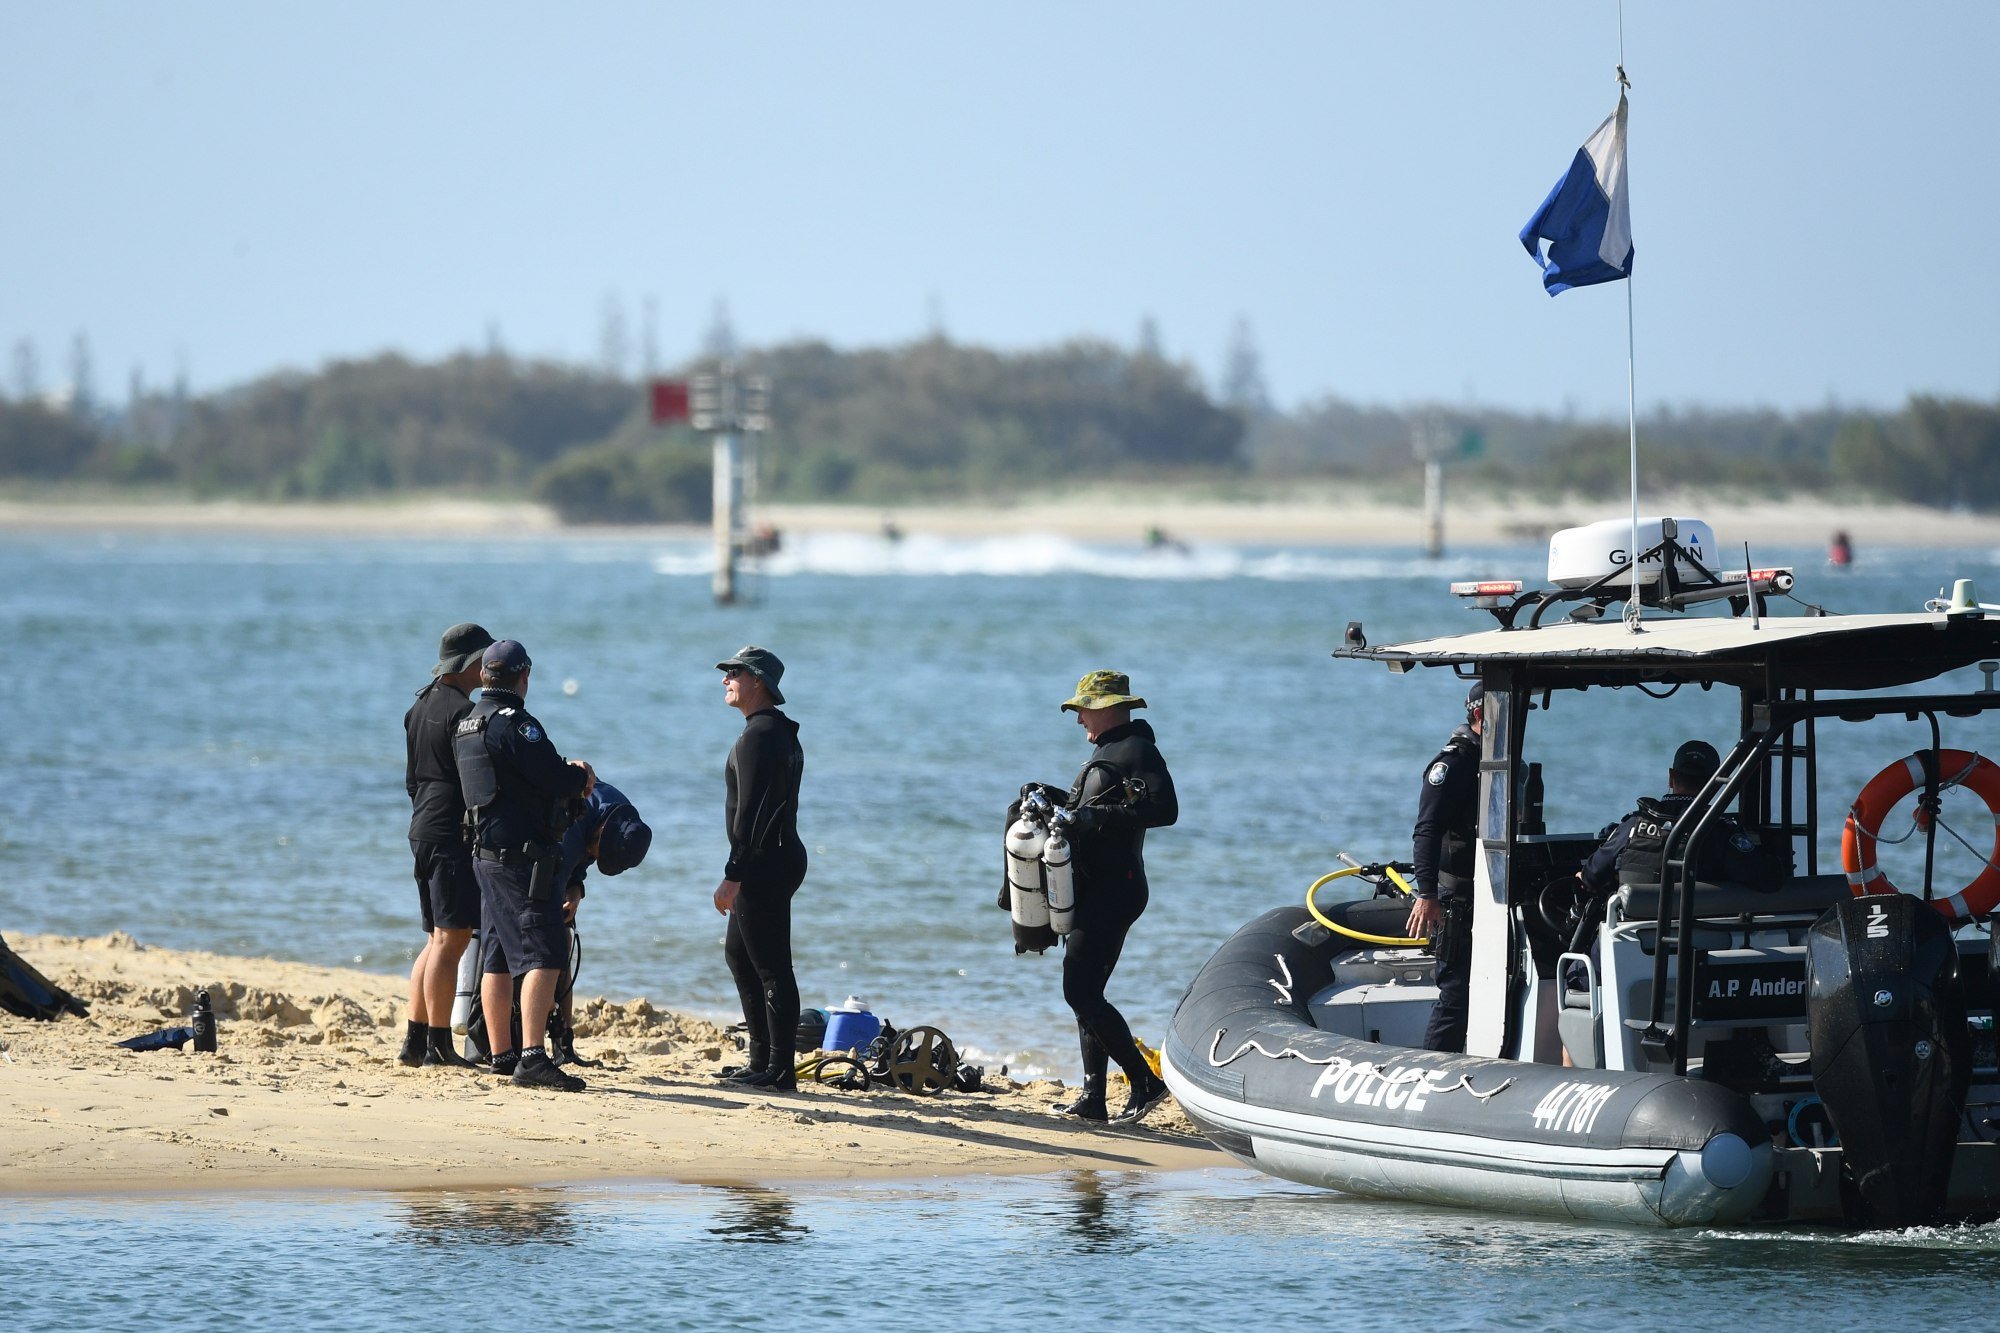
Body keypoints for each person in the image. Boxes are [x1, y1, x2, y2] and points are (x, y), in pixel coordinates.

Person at [1033, 669, 1177, 1124]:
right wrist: (1044, 793)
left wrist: (1099, 817)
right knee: (1086, 992)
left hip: (1118, 888)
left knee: (1079, 989)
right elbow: (1083, 811)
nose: (1079, 721)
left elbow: (1164, 810)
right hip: (1096, 886)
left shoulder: (1138, 750)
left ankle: (1144, 1083)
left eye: (1083, 711)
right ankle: (1093, 1098)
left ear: (1109, 707)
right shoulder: (1107, 751)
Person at [456, 638, 596, 1092]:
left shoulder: (468, 723)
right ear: (524, 676)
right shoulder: (514, 723)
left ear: (482, 676)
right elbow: (554, 776)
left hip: (484, 853)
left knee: (496, 954)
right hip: (521, 858)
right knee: (545, 950)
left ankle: (502, 1053)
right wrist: (582, 775)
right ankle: (533, 1057)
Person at [712, 646, 807, 1090]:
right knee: (740, 956)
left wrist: (734, 874)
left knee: (771, 967)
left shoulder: (758, 737)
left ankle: (780, 1070)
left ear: (758, 682)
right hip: (775, 856)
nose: (726, 678)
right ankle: (762, 1060)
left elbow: (750, 812)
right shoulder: (776, 732)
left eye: (734, 672)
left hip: (765, 862)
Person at [399, 621, 493, 1070]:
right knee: (452, 937)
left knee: (437, 938)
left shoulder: (418, 706)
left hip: (422, 824)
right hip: (449, 830)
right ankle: (438, 1044)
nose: (487, 670)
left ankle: (415, 1041)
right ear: (470, 664)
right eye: (484, 662)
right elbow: (473, 782)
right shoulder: (463, 713)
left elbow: (412, 779)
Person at [544, 780, 653, 1065]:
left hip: (561, 867)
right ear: (604, 831)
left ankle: (564, 1046)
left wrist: (576, 889)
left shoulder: (621, 819)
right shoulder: (575, 823)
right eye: (597, 849)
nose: (595, 855)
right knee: (552, 950)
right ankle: (533, 1046)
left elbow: (586, 856)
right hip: (536, 863)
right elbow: (564, 858)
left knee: (563, 946)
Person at [1404, 682, 1483, 1054]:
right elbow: (1427, 830)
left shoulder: (1496, 763)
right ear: (1480, 714)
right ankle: (1431, 1071)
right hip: (1458, 897)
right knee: (1455, 992)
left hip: (1491, 893)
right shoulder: (1452, 765)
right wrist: (1428, 895)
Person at [1577, 739, 1723, 900]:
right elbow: (1752, 876)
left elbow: (1591, 876)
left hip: (1633, 924)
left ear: (1671, 777)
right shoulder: (1721, 831)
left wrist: (1583, 878)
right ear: (1716, 785)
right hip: (1704, 924)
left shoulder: (1633, 826)